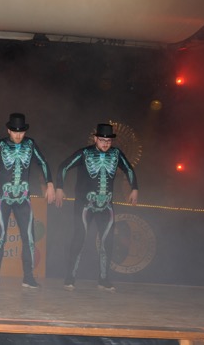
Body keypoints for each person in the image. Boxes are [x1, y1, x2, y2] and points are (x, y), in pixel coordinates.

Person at [55, 123, 138, 292]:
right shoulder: (85, 153)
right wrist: (59, 188)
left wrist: (134, 188)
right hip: (84, 205)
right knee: (79, 238)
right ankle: (70, 277)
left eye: (108, 141)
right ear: (95, 139)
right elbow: (63, 166)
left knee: (108, 241)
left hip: (106, 205)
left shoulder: (116, 154)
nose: (105, 143)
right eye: (102, 140)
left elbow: (129, 169)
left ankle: (103, 279)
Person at [0, 112, 55, 288]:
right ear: (9, 131)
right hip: (3, 198)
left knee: (29, 237)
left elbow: (43, 162)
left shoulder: (30, 144)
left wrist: (50, 183)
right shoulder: (0, 145)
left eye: (21, 132)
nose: (18, 135)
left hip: (23, 198)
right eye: (15, 132)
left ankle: (28, 277)